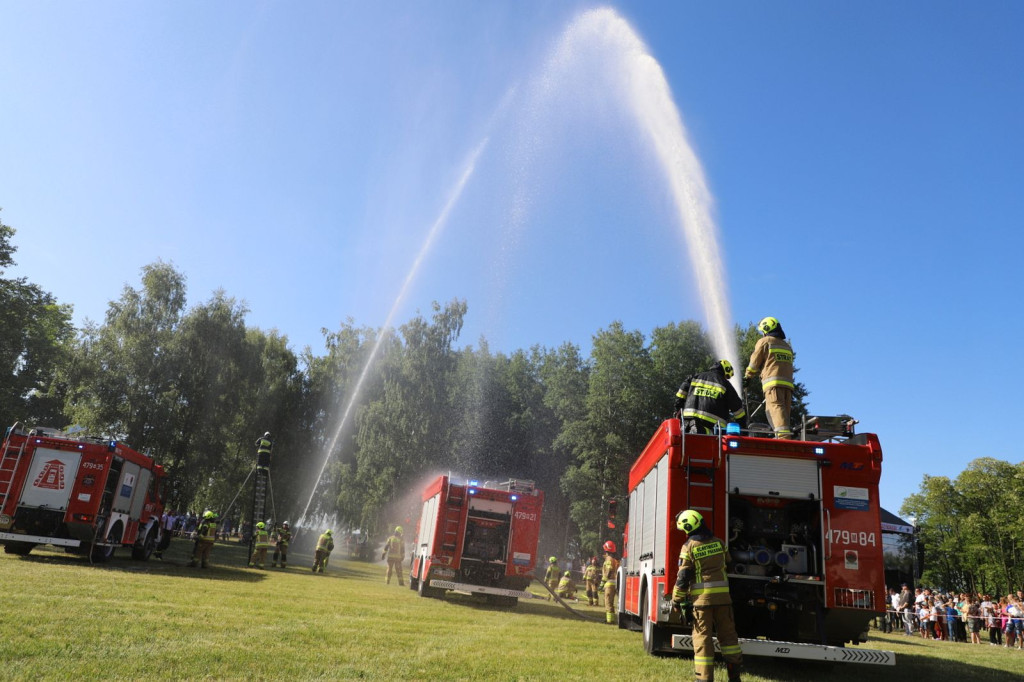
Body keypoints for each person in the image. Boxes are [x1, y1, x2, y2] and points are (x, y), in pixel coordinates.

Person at [672, 509, 742, 682]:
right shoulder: (719, 543)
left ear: (688, 527)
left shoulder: (689, 547)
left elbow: (683, 577)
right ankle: (734, 677)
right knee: (729, 638)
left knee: (702, 640)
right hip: (724, 601)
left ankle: (704, 679)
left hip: (701, 602)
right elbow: (730, 565)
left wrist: (676, 599)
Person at [744, 316, 795, 438]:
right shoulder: (787, 346)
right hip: (787, 386)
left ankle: (783, 439)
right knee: (783, 414)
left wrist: (747, 377)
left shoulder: (765, 342)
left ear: (767, 328)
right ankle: (783, 436)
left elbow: (754, 362)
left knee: (776, 411)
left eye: (763, 331)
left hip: (773, 385)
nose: (763, 334)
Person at [675, 360, 746, 435]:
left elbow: (681, 393)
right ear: (726, 370)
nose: (726, 378)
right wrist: (743, 429)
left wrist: (678, 409)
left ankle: (695, 428)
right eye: (727, 376)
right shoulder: (725, 384)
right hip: (712, 427)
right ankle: (700, 430)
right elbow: (738, 411)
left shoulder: (695, 377)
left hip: (687, 421)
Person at [601, 541, 620, 625]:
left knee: (608, 602)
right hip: (615, 583)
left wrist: (602, 582)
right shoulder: (616, 560)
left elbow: (608, 570)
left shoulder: (609, 559)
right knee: (611, 602)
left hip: (609, 583)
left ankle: (609, 621)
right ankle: (611, 620)